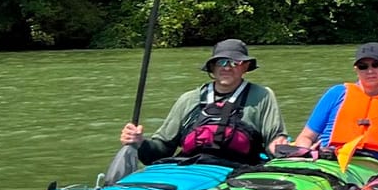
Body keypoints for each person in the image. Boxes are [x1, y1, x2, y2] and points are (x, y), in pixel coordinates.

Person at [118, 38, 288, 164]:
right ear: (212, 67)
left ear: (245, 67)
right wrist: (140, 143)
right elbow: (162, 149)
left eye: (235, 62)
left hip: (240, 170)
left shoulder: (262, 95)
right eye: (221, 62)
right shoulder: (189, 99)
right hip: (191, 169)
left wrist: (280, 148)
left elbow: (274, 139)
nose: (227, 67)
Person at [290, 42, 378, 159]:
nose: (370, 71)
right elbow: (306, 137)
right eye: (363, 66)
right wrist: (304, 156)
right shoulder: (336, 94)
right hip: (329, 160)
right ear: (356, 69)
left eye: (376, 64)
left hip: (370, 165)